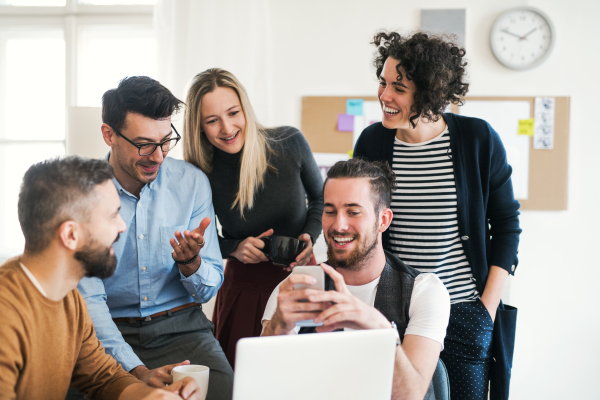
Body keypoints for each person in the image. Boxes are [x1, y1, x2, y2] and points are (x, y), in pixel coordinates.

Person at [353, 31, 521, 400]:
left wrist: (485, 311)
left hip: (464, 313)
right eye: (383, 83)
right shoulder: (372, 143)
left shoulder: (477, 140)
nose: (384, 96)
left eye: (398, 87)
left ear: (428, 93)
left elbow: (507, 226)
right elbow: (363, 224)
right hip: (396, 310)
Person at [72, 77, 234, 400]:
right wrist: (136, 371)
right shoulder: (81, 194)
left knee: (227, 394)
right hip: (106, 331)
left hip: (183, 330)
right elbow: (89, 303)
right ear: (109, 135)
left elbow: (209, 287)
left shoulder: (192, 183)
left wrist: (191, 264)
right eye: (144, 144)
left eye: (165, 141)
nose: (158, 156)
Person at [0, 156, 202, 400]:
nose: (122, 226)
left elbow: (104, 376)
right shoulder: (6, 314)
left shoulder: (69, 299)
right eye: (113, 215)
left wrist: (156, 397)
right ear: (71, 234)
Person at [261, 158, 450, 400]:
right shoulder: (297, 287)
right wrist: (278, 326)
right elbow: (265, 385)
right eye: (330, 211)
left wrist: (378, 327)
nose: (338, 225)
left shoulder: (424, 291)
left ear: (383, 220)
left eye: (353, 212)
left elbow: (411, 395)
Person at [183, 68, 324, 366]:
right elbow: (196, 237)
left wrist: (310, 236)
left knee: (305, 374)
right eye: (212, 120)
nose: (227, 127)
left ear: (245, 108)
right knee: (245, 379)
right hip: (243, 288)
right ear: (199, 127)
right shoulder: (201, 171)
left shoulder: (289, 143)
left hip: (299, 278)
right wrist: (232, 248)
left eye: (233, 113)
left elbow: (321, 199)